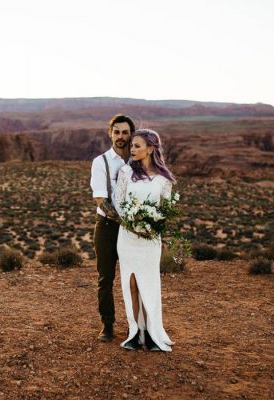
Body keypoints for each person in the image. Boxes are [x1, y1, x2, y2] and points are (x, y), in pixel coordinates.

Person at [114, 129, 177, 351]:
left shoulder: (164, 179)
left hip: (150, 239)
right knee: (130, 282)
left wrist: (152, 225)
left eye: (137, 146)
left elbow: (166, 209)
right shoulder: (125, 172)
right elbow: (119, 203)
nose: (132, 149)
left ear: (151, 149)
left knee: (148, 283)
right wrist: (133, 222)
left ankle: (151, 332)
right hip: (128, 236)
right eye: (132, 145)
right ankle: (135, 332)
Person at [90, 114, 135, 342]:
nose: (120, 136)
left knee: (131, 278)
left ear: (131, 135)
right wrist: (125, 222)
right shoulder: (101, 162)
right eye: (116, 132)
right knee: (105, 278)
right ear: (110, 133)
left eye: (125, 132)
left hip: (132, 229)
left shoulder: (137, 162)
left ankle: (133, 326)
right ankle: (107, 325)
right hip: (108, 227)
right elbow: (101, 200)